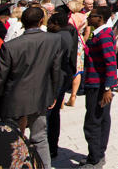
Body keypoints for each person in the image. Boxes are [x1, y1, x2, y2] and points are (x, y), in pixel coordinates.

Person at [0, 7, 64, 169]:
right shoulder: (54, 40)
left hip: (14, 99)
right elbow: (56, 69)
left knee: (15, 138)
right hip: (41, 96)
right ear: (41, 21)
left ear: (22, 22)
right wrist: (53, 94)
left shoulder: (10, 46)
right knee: (40, 137)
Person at [81, 7, 117, 168]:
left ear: (100, 18)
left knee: (94, 121)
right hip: (97, 83)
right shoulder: (101, 34)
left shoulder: (103, 37)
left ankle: (95, 158)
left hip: (98, 85)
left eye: (92, 16)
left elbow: (111, 62)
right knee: (100, 119)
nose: (88, 18)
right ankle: (96, 154)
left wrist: (108, 88)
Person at [45, 11, 77, 159]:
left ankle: (49, 147)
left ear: (56, 23)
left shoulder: (59, 37)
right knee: (54, 114)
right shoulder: (69, 32)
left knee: (50, 114)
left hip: (57, 79)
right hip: (64, 76)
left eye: (50, 22)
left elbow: (56, 62)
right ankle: (52, 147)